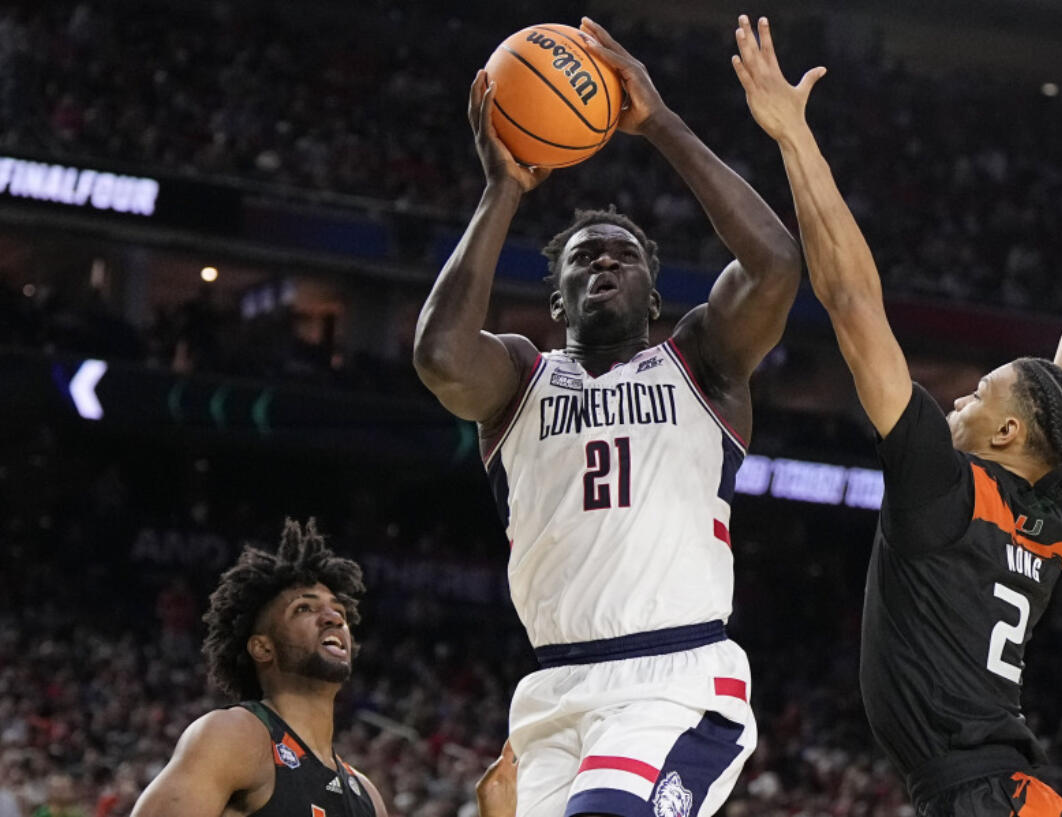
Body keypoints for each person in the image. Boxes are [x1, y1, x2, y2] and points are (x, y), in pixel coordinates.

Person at [731, 14, 1062, 817]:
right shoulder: (1044, 512)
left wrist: (794, 139)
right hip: (1014, 795)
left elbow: (854, 302)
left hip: (986, 799)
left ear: (1007, 435)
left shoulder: (946, 490)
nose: (959, 397)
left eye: (979, 391)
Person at [413, 16, 803, 817]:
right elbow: (442, 356)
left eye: (621, 255)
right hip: (555, 691)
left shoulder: (701, 363)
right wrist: (503, 190)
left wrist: (658, 122)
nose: (603, 261)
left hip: (675, 677)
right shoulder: (521, 378)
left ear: (654, 297)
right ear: (556, 297)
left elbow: (775, 266)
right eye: (583, 256)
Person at [131, 519, 388, 817]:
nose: (333, 618)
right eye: (304, 608)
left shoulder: (368, 797)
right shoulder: (236, 735)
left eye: (339, 611)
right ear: (263, 647)